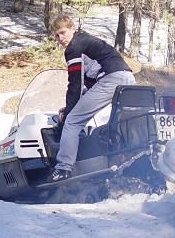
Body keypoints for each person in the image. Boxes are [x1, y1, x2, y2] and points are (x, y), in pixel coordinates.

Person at [49, 14, 135, 182]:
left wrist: (69, 111)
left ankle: (63, 169)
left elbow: (75, 84)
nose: (60, 38)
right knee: (122, 121)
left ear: (73, 28)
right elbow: (87, 83)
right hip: (127, 77)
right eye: (56, 35)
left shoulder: (73, 47)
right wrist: (73, 104)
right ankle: (124, 156)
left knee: (72, 122)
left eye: (63, 32)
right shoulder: (86, 41)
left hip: (112, 79)